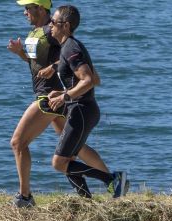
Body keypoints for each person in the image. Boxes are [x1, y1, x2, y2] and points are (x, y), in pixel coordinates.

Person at [6, 0, 110, 207]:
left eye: (28, 8)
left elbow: (69, 56)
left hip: (50, 97)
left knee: (18, 142)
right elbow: (38, 62)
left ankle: (25, 197)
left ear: (41, 8)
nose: (25, 12)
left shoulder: (51, 32)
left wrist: (55, 68)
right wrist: (22, 54)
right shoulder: (40, 33)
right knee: (73, 149)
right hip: (56, 96)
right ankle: (110, 183)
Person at [47, 5, 128, 199]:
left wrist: (65, 97)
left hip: (81, 111)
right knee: (69, 160)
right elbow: (95, 79)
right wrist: (63, 91)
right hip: (84, 110)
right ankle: (86, 202)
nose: (50, 25)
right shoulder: (71, 46)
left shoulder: (70, 48)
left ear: (65, 26)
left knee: (59, 163)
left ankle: (112, 180)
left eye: (53, 22)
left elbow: (89, 80)